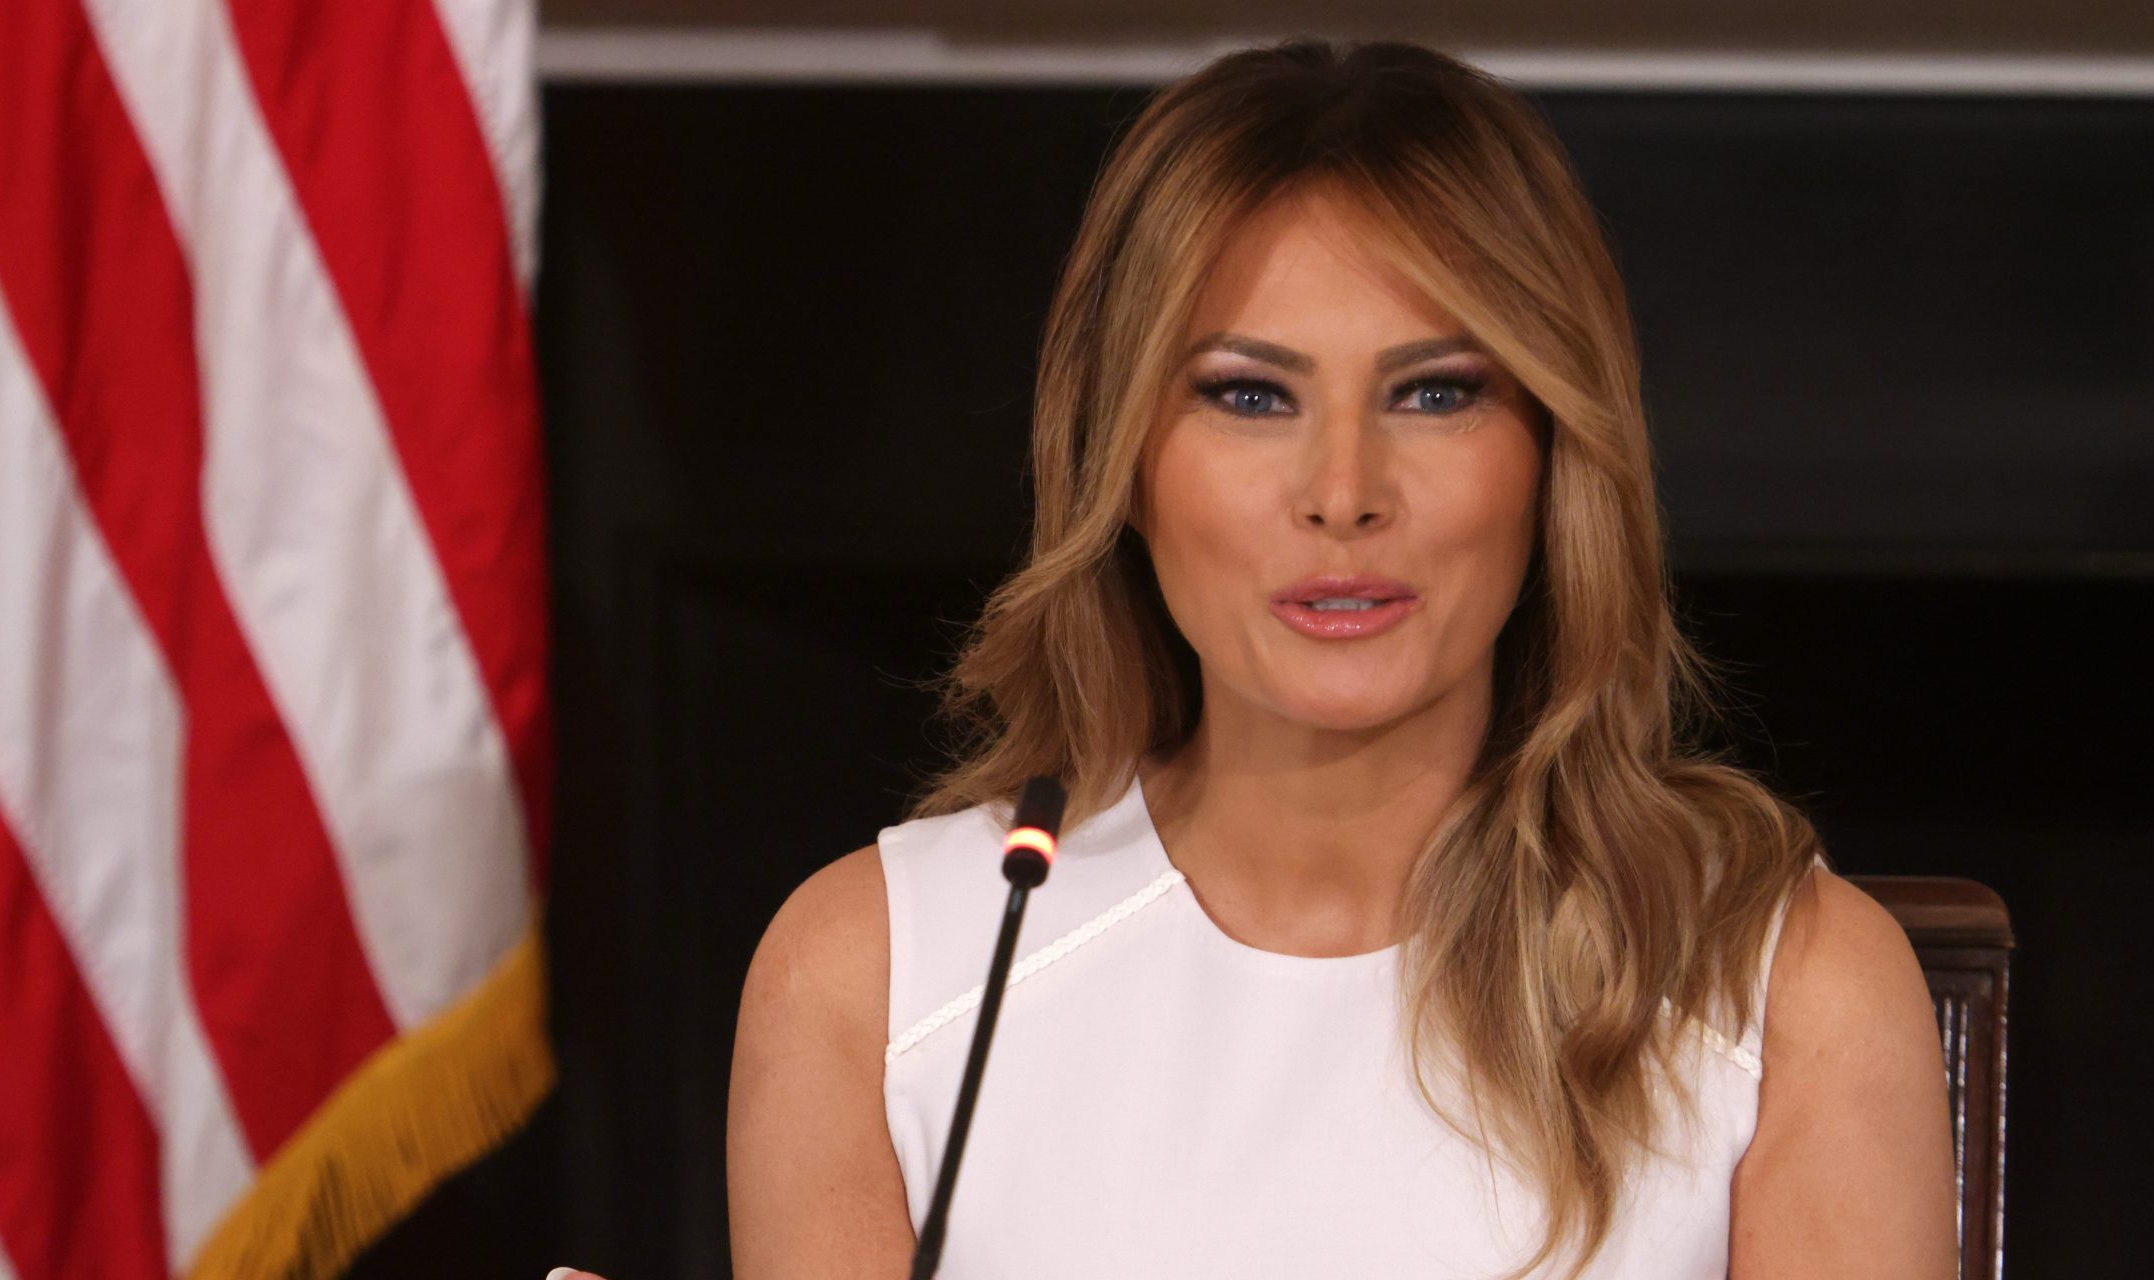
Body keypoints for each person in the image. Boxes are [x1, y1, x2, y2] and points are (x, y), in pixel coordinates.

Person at [564, 34, 1954, 1280]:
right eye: (1248, 394)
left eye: (1434, 392)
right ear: (1125, 464)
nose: (1341, 490)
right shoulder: (874, 974)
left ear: (1552, 453)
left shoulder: (1795, 986)